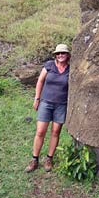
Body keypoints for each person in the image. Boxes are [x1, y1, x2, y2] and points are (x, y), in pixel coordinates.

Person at [25, 44, 70, 173]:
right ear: (55, 55)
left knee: (55, 132)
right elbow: (40, 81)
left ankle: (49, 158)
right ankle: (34, 159)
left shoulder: (70, 69)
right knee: (40, 132)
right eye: (58, 53)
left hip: (61, 105)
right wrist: (37, 98)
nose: (60, 55)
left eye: (63, 53)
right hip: (46, 103)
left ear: (67, 55)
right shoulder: (49, 65)